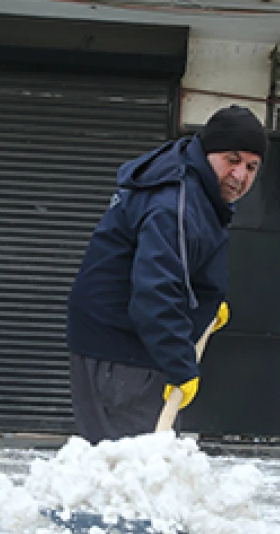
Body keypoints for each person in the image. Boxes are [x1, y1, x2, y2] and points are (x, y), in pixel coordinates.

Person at [65, 104, 268, 443]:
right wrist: (180, 364)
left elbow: (175, 266)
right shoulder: (176, 203)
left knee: (130, 462)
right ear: (207, 153)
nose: (240, 175)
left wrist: (203, 305)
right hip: (123, 352)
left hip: (124, 346)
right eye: (231, 160)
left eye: (252, 166)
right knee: (134, 465)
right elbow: (155, 292)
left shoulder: (194, 191)